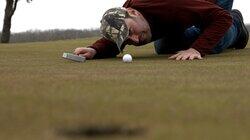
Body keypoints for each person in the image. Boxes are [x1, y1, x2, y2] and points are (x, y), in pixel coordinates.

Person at [74, 0, 249, 60]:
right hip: (182, 12)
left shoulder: (171, 5)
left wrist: (196, 49)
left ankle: (238, 25)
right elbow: (117, 37)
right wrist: (94, 50)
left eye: (131, 32)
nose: (135, 40)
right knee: (164, 47)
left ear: (134, 13)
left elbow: (220, 17)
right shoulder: (128, 17)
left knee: (213, 43)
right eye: (127, 38)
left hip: (212, 4)